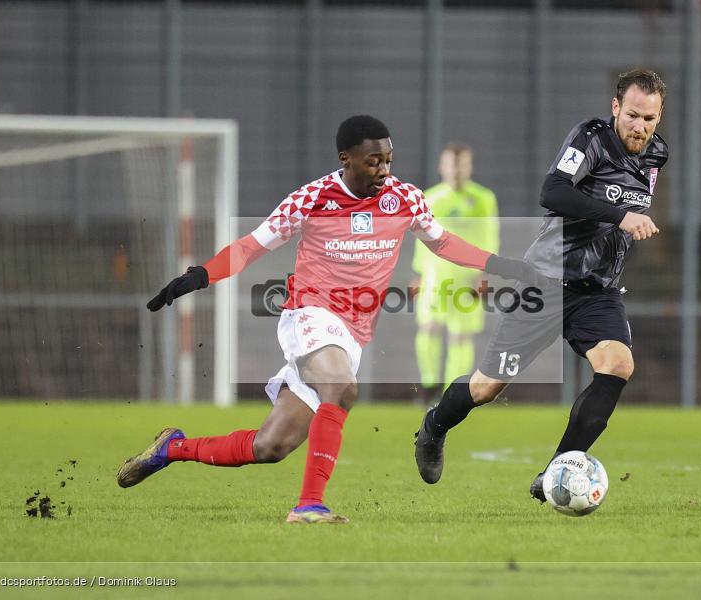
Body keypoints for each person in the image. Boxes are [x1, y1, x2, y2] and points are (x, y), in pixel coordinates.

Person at [117, 115, 545, 524]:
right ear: (346, 159)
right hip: (309, 313)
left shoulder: (406, 197)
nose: (383, 169)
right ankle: (309, 506)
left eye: (388, 159)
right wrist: (200, 274)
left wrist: (502, 264)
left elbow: (444, 242)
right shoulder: (312, 199)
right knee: (341, 388)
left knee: (271, 445)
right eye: (373, 160)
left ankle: (172, 448)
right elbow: (251, 245)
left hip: (352, 334)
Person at [413, 69, 669, 502]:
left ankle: (559, 469)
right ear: (614, 108)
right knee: (487, 387)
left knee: (618, 364)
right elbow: (552, 192)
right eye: (631, 115)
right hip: (547, 282)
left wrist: (618, 232)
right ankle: (433, 427)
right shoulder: (590, 139)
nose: (639, 126)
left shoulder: (656, 155)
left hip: (598, 290)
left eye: (649, 118)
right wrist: (620, 216)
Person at [411, 144, 499, 404]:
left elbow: (489, 236)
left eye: (461, 164)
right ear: (442, 167)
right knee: (429, 328)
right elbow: (422, 238)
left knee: (461, 335)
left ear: (469, 167)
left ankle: (452, 391)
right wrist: (418, 272)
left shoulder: (483, 198)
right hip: (434, 275)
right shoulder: (430, 197)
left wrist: (484, 272)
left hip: (466, 276)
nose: (456, 170)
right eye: (451, 164)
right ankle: (428, 386)